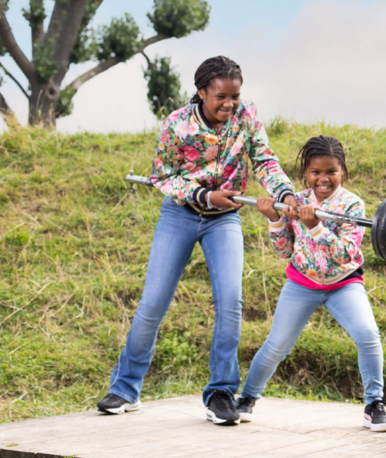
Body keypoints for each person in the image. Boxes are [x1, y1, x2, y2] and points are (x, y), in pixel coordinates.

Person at [97, 56, 300, 426]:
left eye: (235, 96)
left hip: (224, 219)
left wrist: (284, 194)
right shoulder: (176, 125)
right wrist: (204, 196)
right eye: (221, 96)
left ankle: (221, 392)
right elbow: (164, 176)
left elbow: (265, 161)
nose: (229, 104)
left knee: (231, 301)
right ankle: (125, 388)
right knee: (154, 301)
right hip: (180, 214)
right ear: (202, 92)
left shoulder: (247, 119)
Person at [239, 135, 386, 432]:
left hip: (343, 284)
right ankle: (246, 399)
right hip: (302, 283)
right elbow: (284, 251)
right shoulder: (294, 201)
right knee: (277, 345)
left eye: (331, 172)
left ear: (342, 172)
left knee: (367, 334)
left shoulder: (352, 205)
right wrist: (274, 219)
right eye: (316, 173)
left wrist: (316, 226)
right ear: (306, 174)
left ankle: (374, 405)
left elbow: (347, 253)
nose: (323, 179)